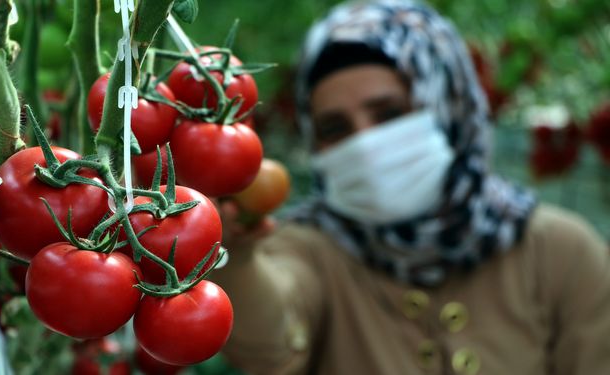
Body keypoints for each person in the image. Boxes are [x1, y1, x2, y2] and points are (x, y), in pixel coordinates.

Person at [212, 1, 610, 374]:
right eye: (335, 128)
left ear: (449, 108)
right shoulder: (311, 249)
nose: (365, 146)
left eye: (389, 113)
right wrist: (240, 251)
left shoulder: (560, 254)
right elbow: (271, 343)